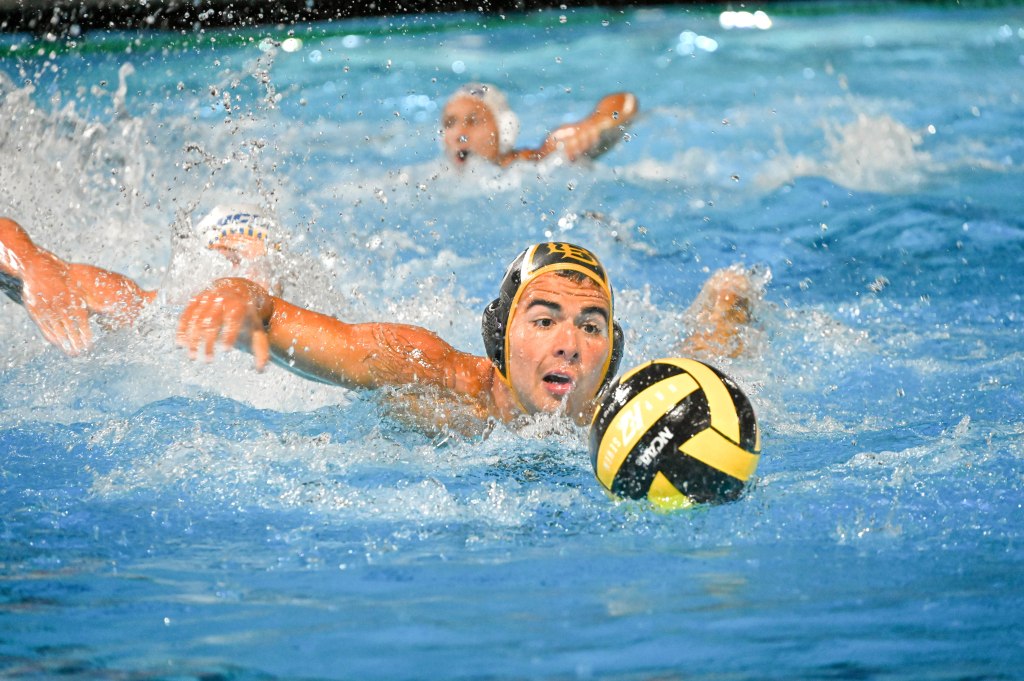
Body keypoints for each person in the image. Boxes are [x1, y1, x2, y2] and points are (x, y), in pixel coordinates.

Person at [174, 241, 758, 435]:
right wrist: (240, 294)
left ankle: (726, 297)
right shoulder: (432, 375)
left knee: (712, 351)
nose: (570, 344)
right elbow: (282, 321)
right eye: (544, 320)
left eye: (591, 326)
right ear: (499, 339)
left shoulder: (624, 417)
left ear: (612, 353)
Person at [0, 205, 278, 356]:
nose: (244, 278)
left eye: (261, 264)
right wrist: (32, 263)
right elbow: (64, 276)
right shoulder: (149, 313)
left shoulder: (297, 333)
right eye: (229, 260)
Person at [441, 83, 638, 168]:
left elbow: (625, 102)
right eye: (450, 123)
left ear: (505, 128)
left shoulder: (537, 163)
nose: (459, 134)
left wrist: (594, 125)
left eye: (473, 121)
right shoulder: (435, 178)